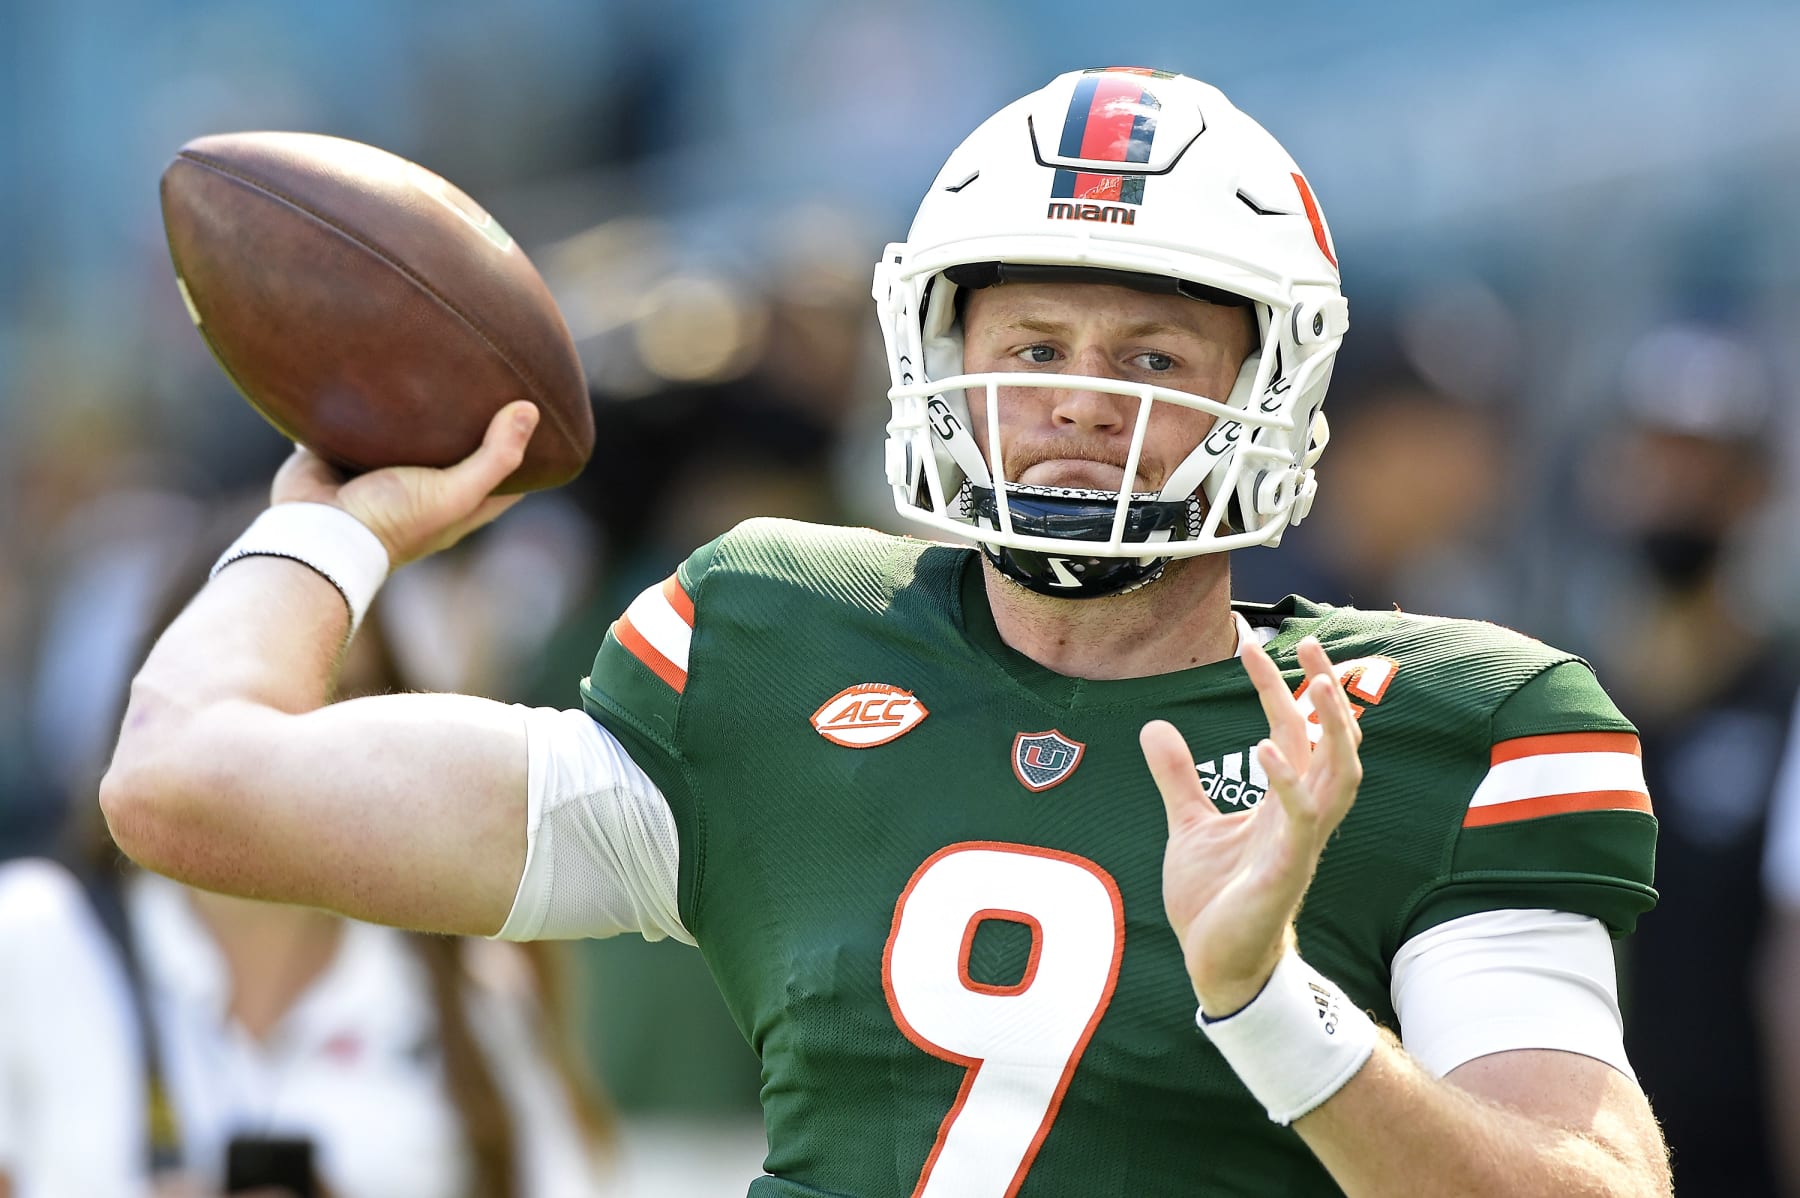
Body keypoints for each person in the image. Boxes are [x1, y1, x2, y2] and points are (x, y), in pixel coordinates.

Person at [100, 68, 1671, 1195]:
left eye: (1151, 357)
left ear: (1271, 388)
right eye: (1034, 344)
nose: (1079, 401)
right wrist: (338, 519)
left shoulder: (1443, 723)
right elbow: (186, 782)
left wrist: (1272, 1002)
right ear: (940, 360)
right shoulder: (771, 645)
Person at [1, 538, 613, 1198]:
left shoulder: (468, 973)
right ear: (154, 720)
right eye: (253, 710)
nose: (298, 751)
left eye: (344, 700)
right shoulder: (35, 935)